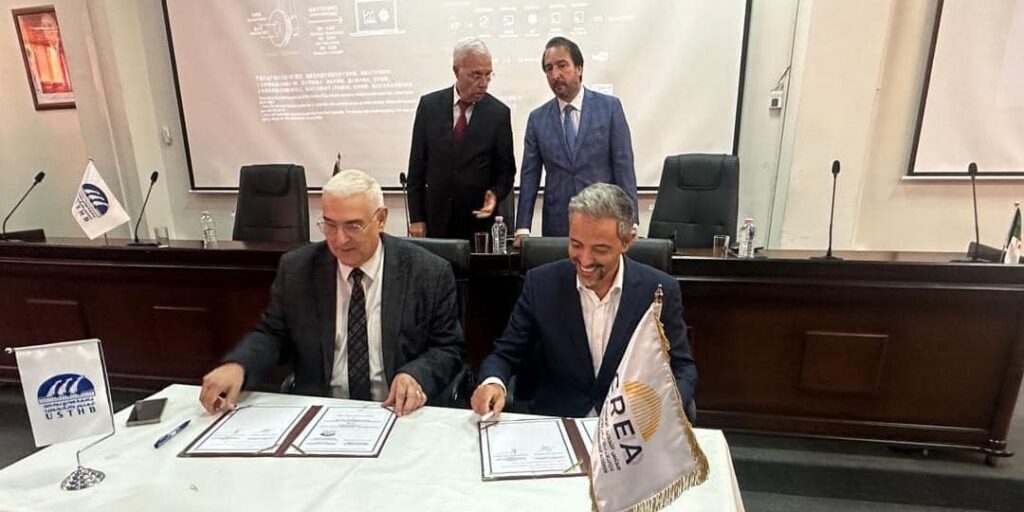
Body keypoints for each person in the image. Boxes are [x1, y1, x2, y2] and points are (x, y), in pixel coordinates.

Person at [200, 170, 464, 417]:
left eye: (353, 226)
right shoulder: (298, 269)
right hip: (321, 412)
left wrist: (415, 375)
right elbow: (273, 334)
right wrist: (239, 365)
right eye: (329, 225)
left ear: (381, 219)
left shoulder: (428, 272)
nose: (339, 239)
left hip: (396, 412)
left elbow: (447, 348)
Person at [472, 183, 696, 420]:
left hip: (630, 427)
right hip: (557, 423)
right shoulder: (541, 284)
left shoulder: (659, 290)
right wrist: (493, 383)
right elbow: (505, 354)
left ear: (627, 241)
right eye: (576, 245)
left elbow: (682, 368)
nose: (585, 260)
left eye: (600, 249)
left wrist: (663, 412)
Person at [514, 36, 638, 245]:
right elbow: (530, 176)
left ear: (579, 68)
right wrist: (522, 228)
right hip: (557, 225)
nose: (555, 75)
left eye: (562, 65)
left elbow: (623, 167)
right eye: (549, 69)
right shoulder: (538, 119)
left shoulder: (609, 108)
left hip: (604, 218)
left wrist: (630, 221)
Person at [407, 38, 515, 240]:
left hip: (478, 223)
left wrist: (495, 194)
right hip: (436, 220)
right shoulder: (429, 106)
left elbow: (506, 171)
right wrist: (416, 217)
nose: (483, 83)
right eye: (476, 75)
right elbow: (416, 168)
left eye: (488, 75)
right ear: (457, 71)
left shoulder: (498, 113)